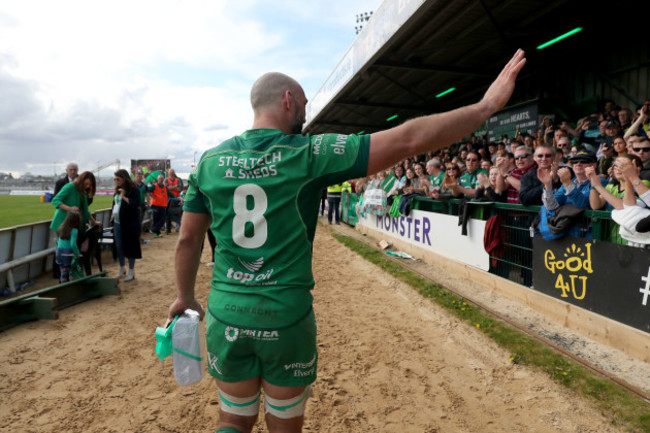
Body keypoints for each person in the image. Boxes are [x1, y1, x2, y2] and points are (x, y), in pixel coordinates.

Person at [168, 50, 526, 433]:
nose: (305, 114)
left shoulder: (209, 162)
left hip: (228, 313)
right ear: (288, 99)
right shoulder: (310, 153)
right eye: (303, 105)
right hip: (285, 317)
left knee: (233, 418)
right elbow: (408, 139)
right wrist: (486, 105)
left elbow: (188, 239)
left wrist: (185, 297)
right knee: (284, 424)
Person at [111, 169, 142, 282]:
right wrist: (112, 215)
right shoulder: (117, 190)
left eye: (117, 179)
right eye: (114, 179)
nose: (116, 181)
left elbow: (136, 204)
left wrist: (124, 196)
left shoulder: (134, 190)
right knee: (119, 247)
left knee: (130, 247)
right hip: (117, 222)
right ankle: (122, 268)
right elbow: (115, 204)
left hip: (130, 224)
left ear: (124, 178)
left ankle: (131, 271)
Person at [55, 211, 82, 283]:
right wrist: (77, 253)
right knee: (71, 272)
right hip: (68, 253)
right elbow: (73, 244)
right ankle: (72, 287)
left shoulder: (62, 227)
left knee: (63, 273)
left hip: (59, 253)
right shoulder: (74, 230)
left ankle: (64, 288)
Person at [165, 169, 184, 234]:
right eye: (170, 172)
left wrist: (171, 187)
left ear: (174, 173)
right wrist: (175, 187)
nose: (171, 173)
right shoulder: (166, 179)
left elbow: (180, 188)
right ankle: (168, 229)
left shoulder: (178, 179)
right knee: (168, 214)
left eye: (172, 172)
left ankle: (178, 228)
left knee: (179, 213)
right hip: (169, 199)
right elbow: (166, 188)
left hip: (177, 199)